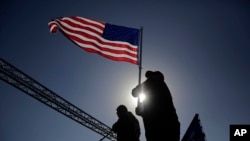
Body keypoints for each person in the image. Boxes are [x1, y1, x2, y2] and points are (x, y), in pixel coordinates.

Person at [132, 71, 180, 141]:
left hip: (158, 128)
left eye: (148, 76)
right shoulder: (160, 88)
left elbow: (134, 93)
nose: (147, 78)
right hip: (170, 126)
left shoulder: (153, 81)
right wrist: (142, 113)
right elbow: (153, 109)